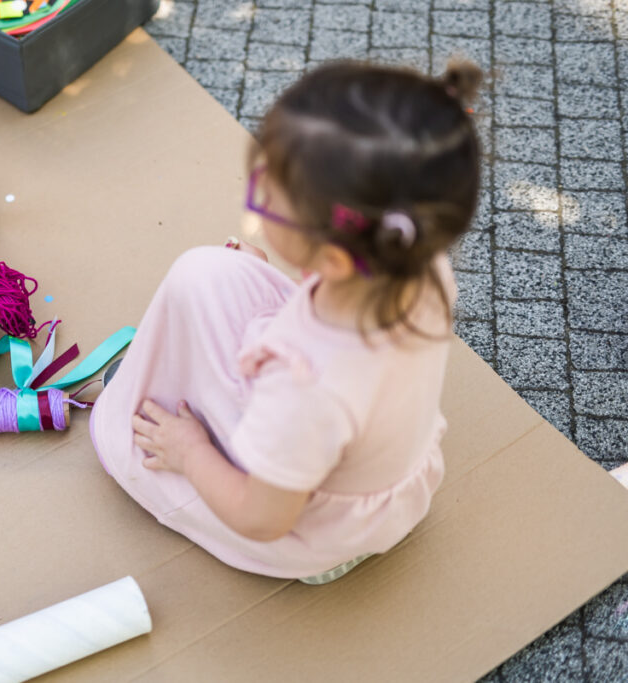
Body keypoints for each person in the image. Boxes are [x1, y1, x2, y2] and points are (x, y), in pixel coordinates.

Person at [90, 59, 483, 583]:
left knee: (124, 442)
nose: (260, 197)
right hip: (383, 463)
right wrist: (289, 281)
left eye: (269, 198)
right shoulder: (419, 263)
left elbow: (259, 517)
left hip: (306, 526)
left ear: (336, 259)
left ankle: (329, 558)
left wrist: (191, 452)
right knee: (203, 273)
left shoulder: (305, 382)